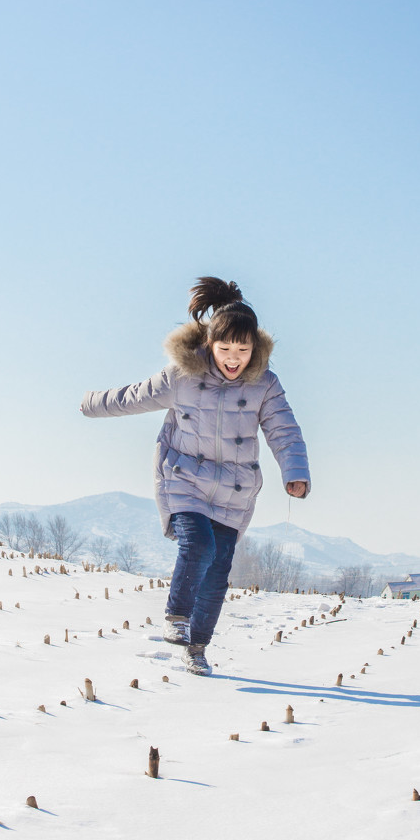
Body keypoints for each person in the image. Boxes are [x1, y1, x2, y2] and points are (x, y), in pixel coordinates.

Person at [79, 277, 310, 675]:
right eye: (225, 349)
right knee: (199, 545)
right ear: (209, 344)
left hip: (234, 491)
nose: (234, 359)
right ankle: (176, 616)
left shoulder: (265, 385)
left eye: (243, 350)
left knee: (217, 574)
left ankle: (197, 647)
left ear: (255, 349)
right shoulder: (182, 376)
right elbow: (134, 396)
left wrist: (295, 471)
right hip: (184, 477)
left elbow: (284, 430)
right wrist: (90, 403)